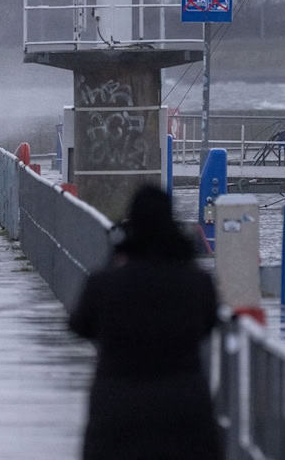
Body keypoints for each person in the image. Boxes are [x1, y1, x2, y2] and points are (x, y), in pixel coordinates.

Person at [68, 185, 220, 460]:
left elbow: (80, 325)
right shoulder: (197, 282)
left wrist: (112, 258)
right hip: (184, 407)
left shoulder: (106, 283)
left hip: (118, 407)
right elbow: (209, 324)